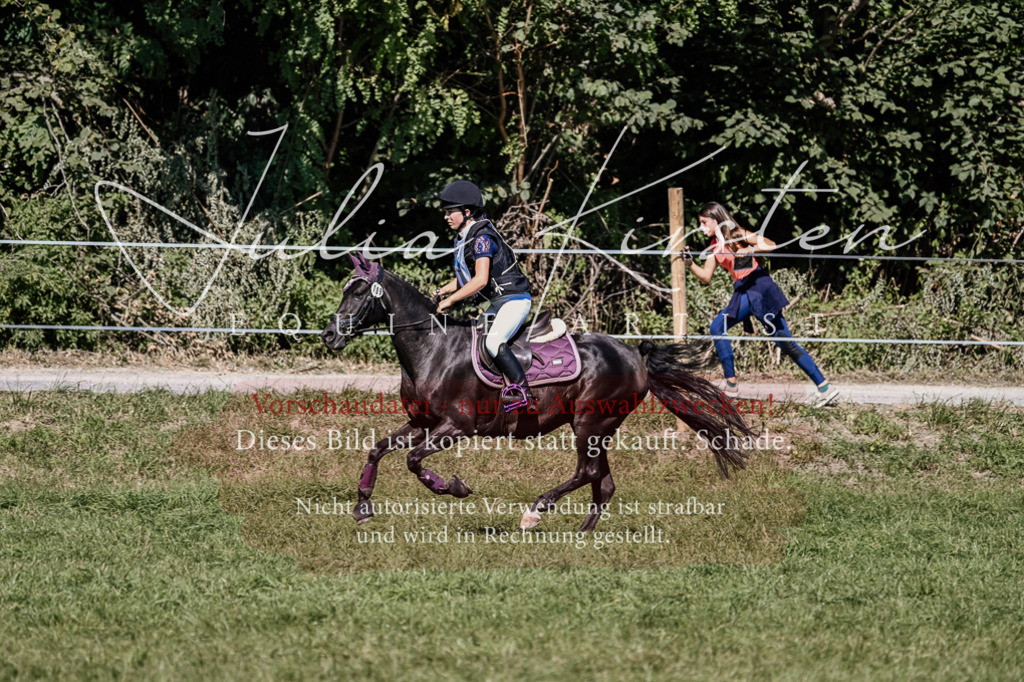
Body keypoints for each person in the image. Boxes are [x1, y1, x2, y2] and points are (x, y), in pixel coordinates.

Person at [685, 201, 840, 407]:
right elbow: (705, 276)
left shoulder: (737, 233)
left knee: (783, 342)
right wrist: (690, 263)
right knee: (719, 327)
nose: (701, 227)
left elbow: (770, 244)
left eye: (704, 222)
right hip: (743, 291)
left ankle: (825, 388)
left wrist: (750, 250)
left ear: (716, 219)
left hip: (758, 287)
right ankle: (732, 384)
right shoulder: (714, 246)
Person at [434, 180, 537, 411]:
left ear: (467, 212)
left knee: (493, 341)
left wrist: (451, 300)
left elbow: (480, 280)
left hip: (514, 301)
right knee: (474, 339)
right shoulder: (466, 236)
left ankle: (524, 394)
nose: (446, 216)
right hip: (498, 303)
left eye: (450, 212)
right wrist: (443, 291)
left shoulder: (482, 238)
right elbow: (465, 278)